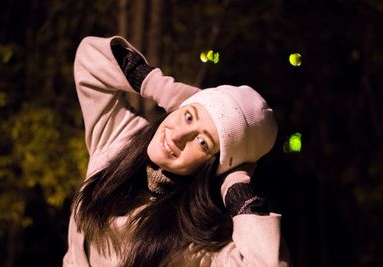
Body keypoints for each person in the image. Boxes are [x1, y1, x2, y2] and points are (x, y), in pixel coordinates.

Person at [63, 35, 291, 267]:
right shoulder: (121, 139)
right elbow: (90, 59)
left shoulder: (197, 242)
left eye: (203, 142)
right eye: (189, 116)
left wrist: (235, 182)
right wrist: (167, 91)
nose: (178, 135)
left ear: (212, 166)